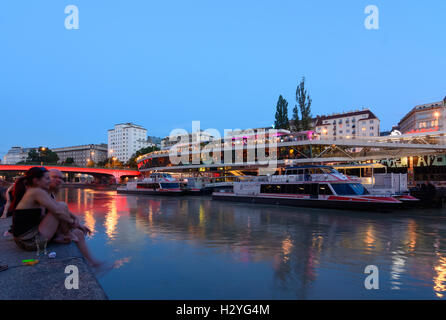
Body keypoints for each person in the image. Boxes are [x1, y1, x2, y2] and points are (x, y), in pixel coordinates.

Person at [11, 167, 102, 267]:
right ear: (37, 181)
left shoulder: (44, 193)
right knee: (62, 208)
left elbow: (57, 208)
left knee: (79, 233)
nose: (57, 180)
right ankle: (66, 235)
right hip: (29, 241)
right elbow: (58, 211)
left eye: (60, 178)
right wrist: (74, 223)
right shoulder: (36, 192)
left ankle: (91, 263)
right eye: (50, 178)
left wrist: (76, 221)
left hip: (30, 236)